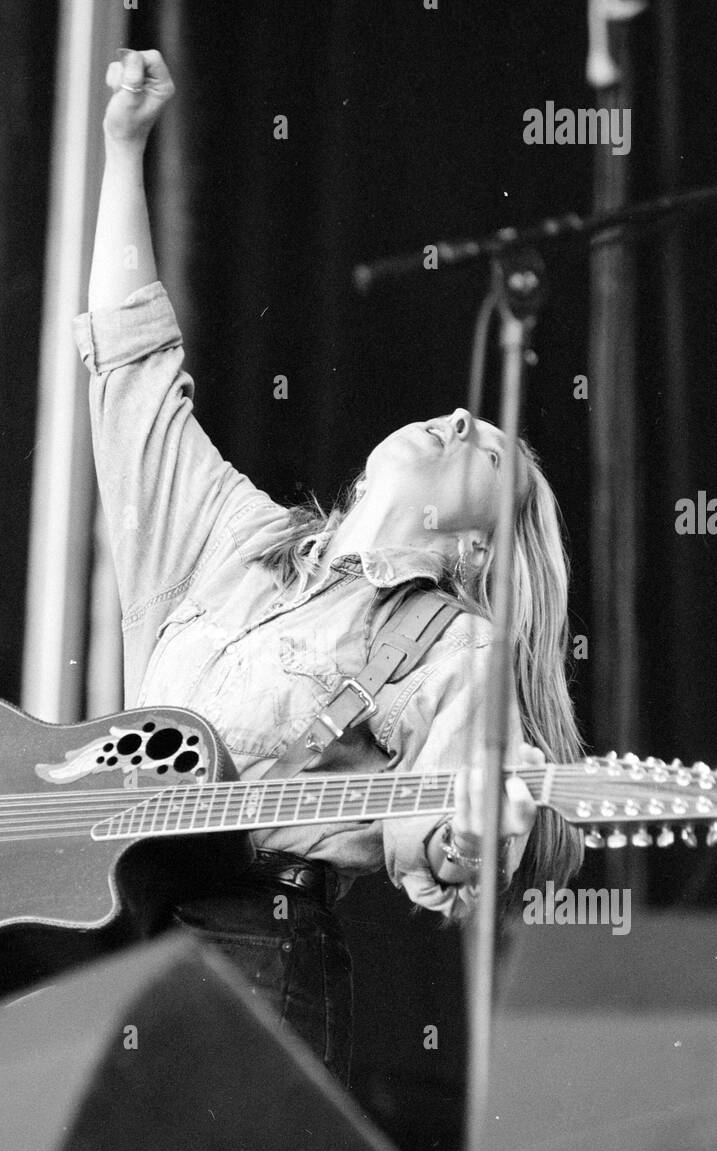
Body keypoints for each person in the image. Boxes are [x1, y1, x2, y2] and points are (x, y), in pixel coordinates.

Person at [73, 49, 584, 1087]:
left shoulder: (451, 641)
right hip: (104, 940)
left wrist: (461, 839)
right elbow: (129, 372)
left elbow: (459, 798)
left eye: (484, 447)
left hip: (249, 955)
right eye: (459, 415)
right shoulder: (229, 539)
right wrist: (123, 150)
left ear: (475, 548)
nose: (456, 415)